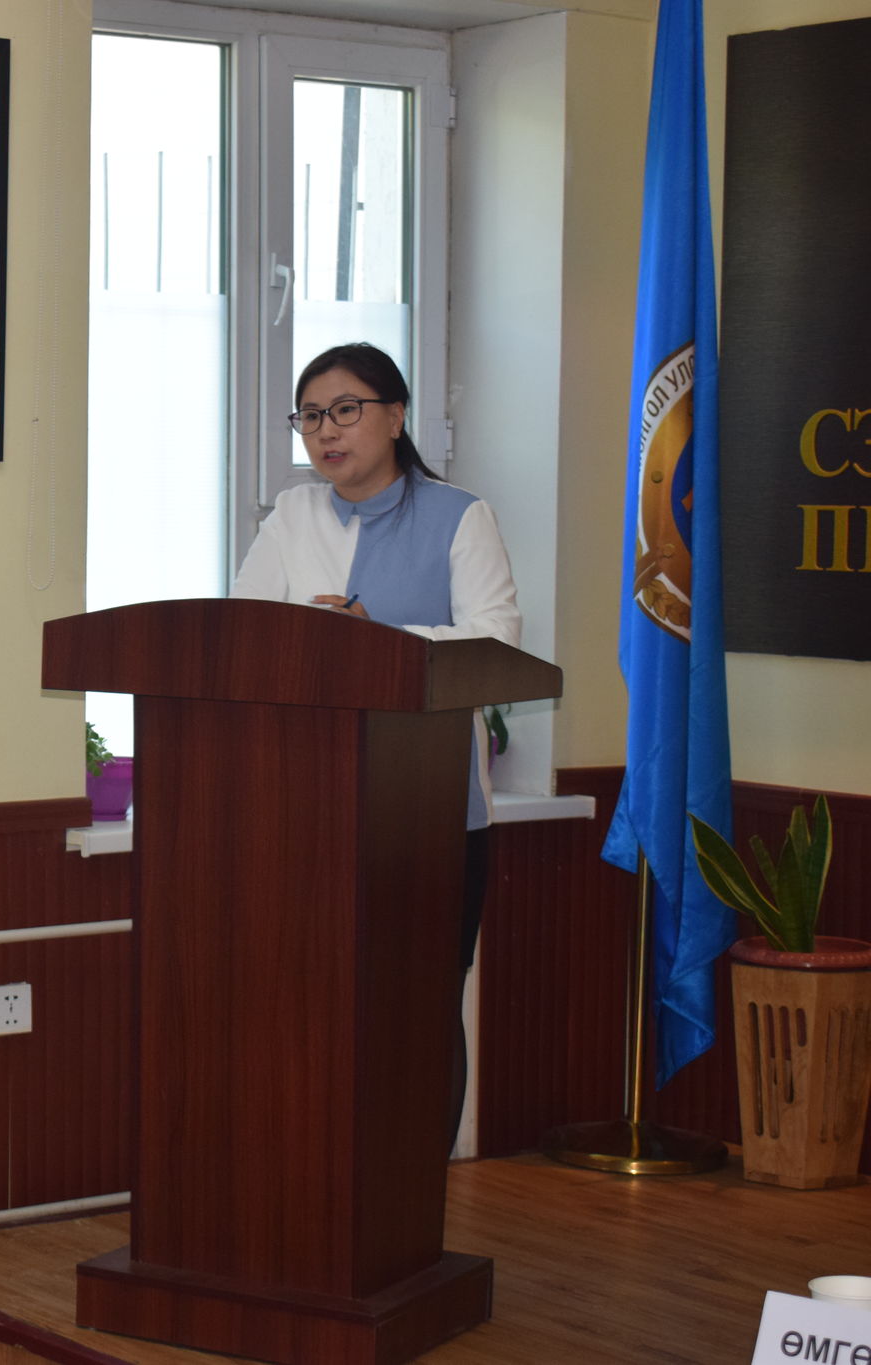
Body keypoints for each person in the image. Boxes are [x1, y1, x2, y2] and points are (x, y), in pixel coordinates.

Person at [231, 341, 521, 1133]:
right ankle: (314, 1170)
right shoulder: (292, 514)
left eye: (346, 410)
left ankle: (415, 1183)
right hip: (304, 811)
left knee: (419, 1007)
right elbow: (242, 634)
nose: (326, 430)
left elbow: (497, 647)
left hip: (429, 815)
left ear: (395, 417)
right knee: (309, 1001)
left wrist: (377, 640)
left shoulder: (460, 516)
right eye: (310, 416)